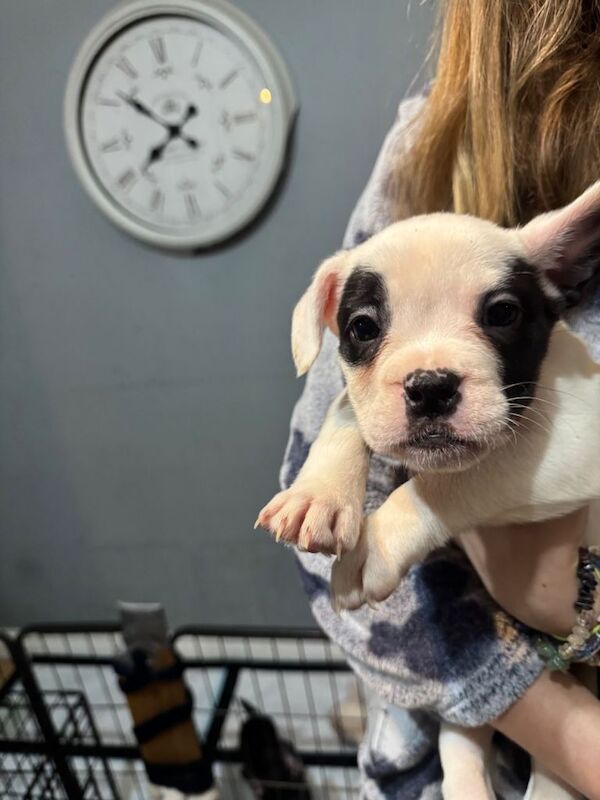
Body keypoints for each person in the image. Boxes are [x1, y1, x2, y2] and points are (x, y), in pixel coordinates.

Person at [278, 1, 600, 797]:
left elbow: (581, 453)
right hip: (487, 712)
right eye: (364, 327)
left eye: (493, 317)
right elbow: (332, 534)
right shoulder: (431, 142)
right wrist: (336, 461)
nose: (426, 375)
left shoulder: (556, 323)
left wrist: (416, 514)